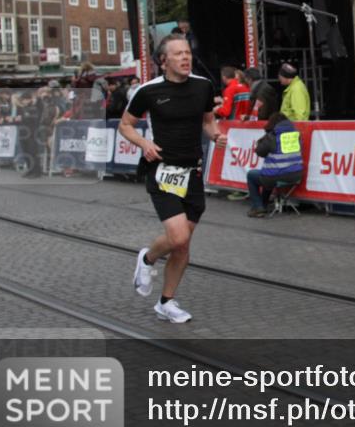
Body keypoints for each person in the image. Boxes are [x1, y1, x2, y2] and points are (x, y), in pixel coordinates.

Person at [118, 33, 227, 323]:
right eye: (178, 54)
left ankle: (166, 302)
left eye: (187, 52)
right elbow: (125, 125)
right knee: (177, 237)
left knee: (183, 245)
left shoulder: (203, 86)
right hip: (162, 171)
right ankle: (147, 259)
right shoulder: (148, 91)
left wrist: (215, 135)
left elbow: (207, 120)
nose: (185, 57)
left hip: (192, 172)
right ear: (164, 60)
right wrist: (144, 145)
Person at [244, 112, 304, 217]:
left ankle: (258, 207)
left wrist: (266, 136)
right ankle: (263, 205)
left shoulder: (272, 136)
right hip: (296, 175)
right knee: (269, 173)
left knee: (252, 175)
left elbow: (259, 152)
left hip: (276, 176)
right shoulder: (296, 135)